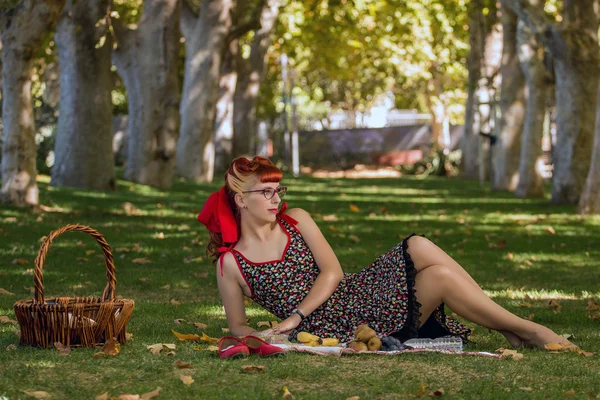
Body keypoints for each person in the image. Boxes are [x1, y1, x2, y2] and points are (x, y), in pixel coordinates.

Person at [197, 156, 575, 349]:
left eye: (278, 190)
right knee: (437, 276)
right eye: (266, 192)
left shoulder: (296, 220)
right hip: (331, 327)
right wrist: (274, 333)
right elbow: (237, 326)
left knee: (419, 245)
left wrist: (295, 314)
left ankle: (515, 328)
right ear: (240, 199)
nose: (275, 198)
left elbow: (333, 273)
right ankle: (522, 330)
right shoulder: (231, 263)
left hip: (352, 295)